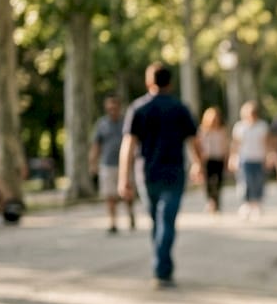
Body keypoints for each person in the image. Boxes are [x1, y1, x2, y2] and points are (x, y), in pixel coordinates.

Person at [119, 62, 201, 289]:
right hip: (174, 172)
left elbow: (128, 145)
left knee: (158, 220)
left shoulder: (138, 108)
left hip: (146, 173)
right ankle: (163, 268)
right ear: (170, 83)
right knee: (166, 221)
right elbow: (194, 142)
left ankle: (161, 267)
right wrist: (198, 165)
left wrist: (123, 178)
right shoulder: (180, 108)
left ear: (149, 82)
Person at [89, 94, 136, 234]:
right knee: (109, 195)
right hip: (107, 164)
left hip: (125, 165)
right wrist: (93, 162)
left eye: (114, 106)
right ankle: (113, 222)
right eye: (109, 106)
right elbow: (96, 145)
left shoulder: (126, 122)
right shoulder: (101, 124)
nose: (112, 109)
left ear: (119, 107)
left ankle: (130, 212)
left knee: (127, 194)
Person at [229, 101, 271, 220]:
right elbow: (235, 144)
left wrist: (268, 156)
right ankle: (246, 204)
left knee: (258, 181)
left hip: (259, 157)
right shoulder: (239, 127)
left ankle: (257, 204)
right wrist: (233, 157)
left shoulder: (262, 126)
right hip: (245, 158)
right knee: (245, 182)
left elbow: (266, 142)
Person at [197, 107, 230, 214]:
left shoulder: (222, 130)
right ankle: (211, 201)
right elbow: (198, 146)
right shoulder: (202, 130)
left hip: (219, 158)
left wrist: (227, 159)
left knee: (218, 182)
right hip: (207, 159)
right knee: (208, 182)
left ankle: (216, 201)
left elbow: (225, 146)